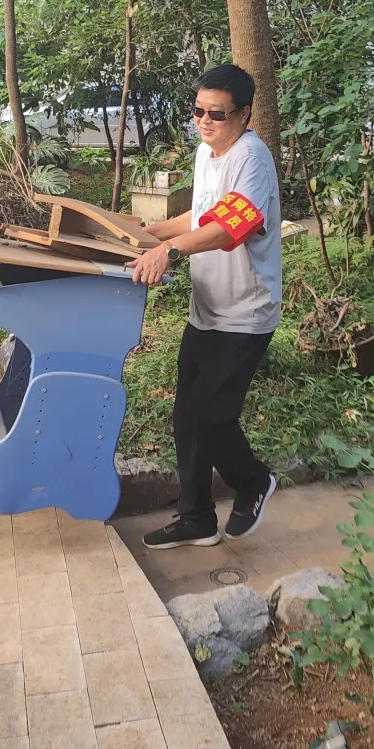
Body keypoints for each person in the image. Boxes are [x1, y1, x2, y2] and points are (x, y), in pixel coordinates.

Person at [128, 63, 282, 549]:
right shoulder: (205, 153)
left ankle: (253, 480)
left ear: (244, 113)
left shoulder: (252, 158)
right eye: (198, 111)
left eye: (217, 114)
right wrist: (145, 234)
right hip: (207, 307)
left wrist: (169, 251)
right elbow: (201, 216)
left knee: (212, 416)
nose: (204, 121)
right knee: (187, 417)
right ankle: (196, 518)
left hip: (246, 313)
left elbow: (232, 226)